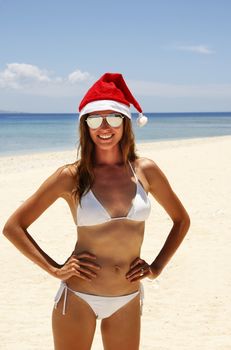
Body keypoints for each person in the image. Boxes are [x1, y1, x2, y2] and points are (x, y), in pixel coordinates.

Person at [3, 72, 190, 350]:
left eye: (113, 118)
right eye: (95, 119)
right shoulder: (70, 176)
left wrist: (156, 267)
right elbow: (13, 227)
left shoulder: (145, 171)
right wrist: (55, 269)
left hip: (126, 299)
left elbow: (181, 220)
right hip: (78, 297)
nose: (105, 127)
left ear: (126, 123)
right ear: (85, 126)